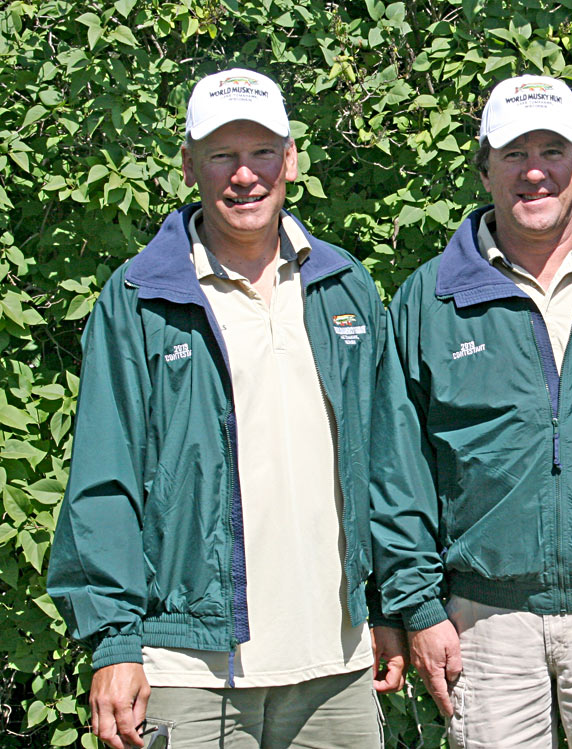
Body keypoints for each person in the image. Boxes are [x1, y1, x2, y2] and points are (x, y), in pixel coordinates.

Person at [47, 68, 399, 749]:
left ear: (290, 159)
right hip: (188, 665)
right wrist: (115, 641)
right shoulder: (141, 298)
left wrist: (388, 602)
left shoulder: (344, 286)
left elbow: (387, 461)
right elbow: (103, 479)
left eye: (262, 151)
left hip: (339, 660)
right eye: (221, 155)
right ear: (188, 166)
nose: (244, 175)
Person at [369, 74, 572, 748]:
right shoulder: (430, 300)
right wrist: (417, 606)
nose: (534, 172)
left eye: (552, 152)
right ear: (484, 170)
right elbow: (397, 469)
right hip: (483, 620)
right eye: (514, 154)